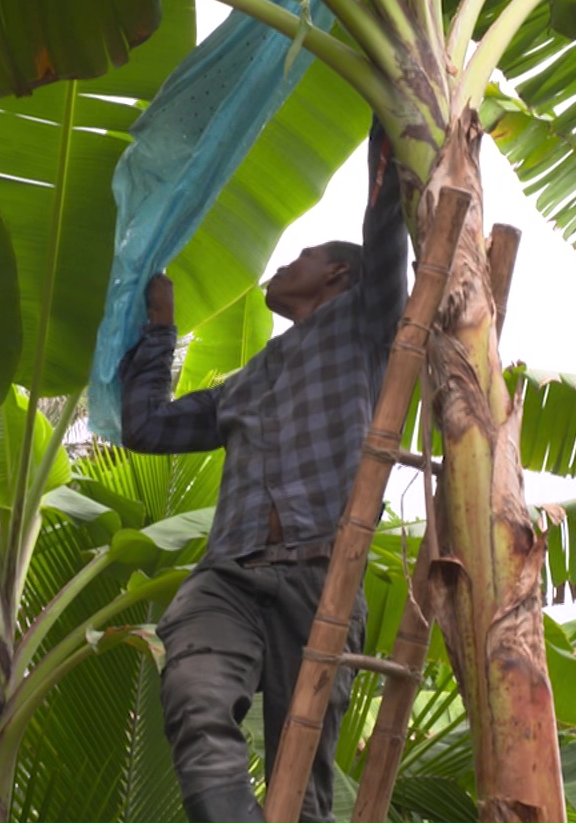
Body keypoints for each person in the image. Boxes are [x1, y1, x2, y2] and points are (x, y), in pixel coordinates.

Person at [118, 120, 408, 823]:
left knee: (301, 784)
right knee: (193, 695)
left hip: (320, 576)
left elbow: (386, 220)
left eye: (303, 255)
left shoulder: (366, 324)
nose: (282, 265)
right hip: (231, 571)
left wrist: (386, 121)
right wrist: (159, 329)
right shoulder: (244, 383)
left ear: (339, 273)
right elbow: (146, 427)